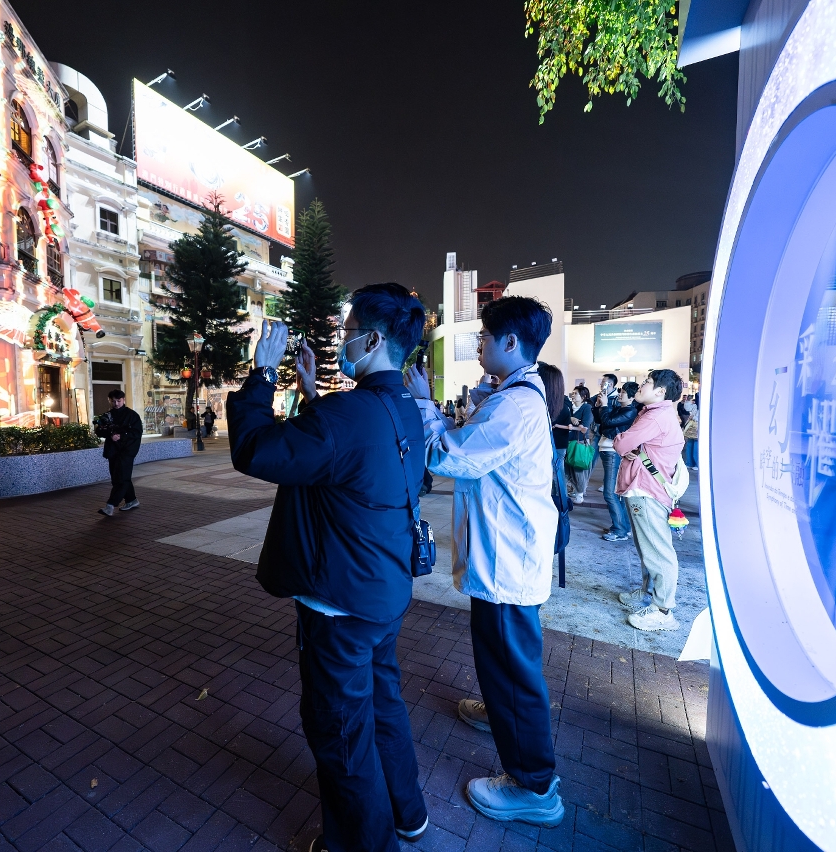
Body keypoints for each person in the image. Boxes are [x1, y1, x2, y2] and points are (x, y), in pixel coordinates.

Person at [226, 283, 430, 852]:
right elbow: (348, 452)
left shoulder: (347, 414)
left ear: (372, 339)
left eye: (348, 331)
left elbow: (256, 449)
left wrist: (262, 374)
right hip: (384, 589)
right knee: (383, 704)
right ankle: (408, 813)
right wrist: (312, 393)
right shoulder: (405, 408)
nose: (343, 340)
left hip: (339, 602)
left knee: (340, 731)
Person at [405, 295, 564, 829]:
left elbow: (448, 455)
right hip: (506, 555)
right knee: (503, 661)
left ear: (511, 342)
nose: (479, 345)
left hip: (507, 561)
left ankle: (534, 786)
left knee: (513, 671)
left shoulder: (513, 406)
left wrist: (423, 404)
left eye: (485, 337)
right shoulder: (513, 396)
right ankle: (500, 712)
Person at [613, 369, 686, 631]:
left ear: (660, 392)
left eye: (647, 382)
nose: (641, 385)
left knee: (657, 551)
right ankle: (648, 593)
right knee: (649, 548)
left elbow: (621, 444)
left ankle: (663, 611)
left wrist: (623, 442)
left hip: (647, 490)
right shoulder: (657, 414)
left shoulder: (655, 417)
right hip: (647, 489)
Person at [593, 380, 640, 541]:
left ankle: (619, 530)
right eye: (620, 391)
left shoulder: (630, 411)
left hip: (613, 452)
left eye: (623, 393)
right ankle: (623, 527)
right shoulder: (620, 408)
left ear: (632, 397)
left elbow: (607, 422)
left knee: (610, 493)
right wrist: (599, 406)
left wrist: (605, 407)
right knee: (614, 493)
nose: (620, 394)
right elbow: (601, 422)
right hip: (608, 450)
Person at [96, 389, 142, 517]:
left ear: (124, 400)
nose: (116, 404)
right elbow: (99, 431)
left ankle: (110, 505)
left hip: (127, 451)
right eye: (113, 401)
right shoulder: (107, 415)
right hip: (113, 451)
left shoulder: (132, 415)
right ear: (109, 401)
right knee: (118, 477)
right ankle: (131, 500)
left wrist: (121, 435)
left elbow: (137, 432)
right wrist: (109, 434)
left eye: (118, 401)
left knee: (121, 478)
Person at [565, 386, 593, 503]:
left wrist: (574, 424)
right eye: (573, 393)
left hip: (580, 442)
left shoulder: (586, 408)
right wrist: (571, 418)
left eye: (576, 393)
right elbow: (565, 420)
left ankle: (580, 493)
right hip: (569, 441)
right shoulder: (569, 408)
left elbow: (585, 425)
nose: (573, 395)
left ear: (583, 397)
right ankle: (573, 490)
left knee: (578, 468)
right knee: (568, 467)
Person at [683, 392, 700, 470]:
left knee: (695, 445)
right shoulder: (695, 405)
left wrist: (693, 417)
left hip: (697, 426)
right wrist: (688, 400)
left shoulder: (700, 406)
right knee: (691, 444)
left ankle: (695, 463)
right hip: (693, 427)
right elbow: (687, 408)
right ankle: (690, 463)